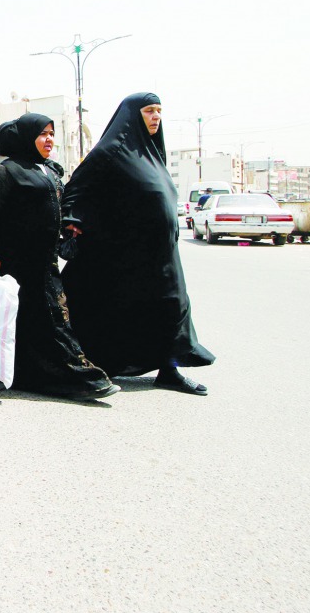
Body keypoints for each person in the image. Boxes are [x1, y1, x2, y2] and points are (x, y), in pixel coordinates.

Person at [0, 113, 119, 401]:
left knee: (26, 323)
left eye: (52, 134)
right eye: (43, 134)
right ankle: (83, 379)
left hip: (43, 262)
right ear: (27, 137)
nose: (49, 140)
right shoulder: (6, 172)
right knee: (30, 319)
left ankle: (13, 371)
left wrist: (67, 225)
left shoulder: (49, 169)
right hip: (13, 262)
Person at [61, 92, 214, 395]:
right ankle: (94, 365)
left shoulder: (153, 153)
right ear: (133, 115)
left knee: (172, 306)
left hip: (162, 255)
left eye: (159, 111)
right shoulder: (111, 152)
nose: (156, 116)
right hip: (125, 255)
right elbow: (77, 187)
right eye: (149, 111)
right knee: (115, 309)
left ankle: (169, 370)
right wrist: (73, 220)